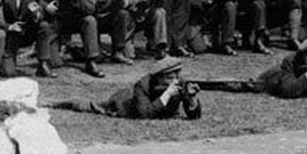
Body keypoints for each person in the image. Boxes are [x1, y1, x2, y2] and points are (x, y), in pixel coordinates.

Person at [50, 58, 200, 120]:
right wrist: (167, 95)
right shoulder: (143, 85)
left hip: (138, 100)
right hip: (121, 104)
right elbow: (144, 114)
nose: (175, 79)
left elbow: (193, 116)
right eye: (169, 76)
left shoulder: (178, 82)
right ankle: (54, 103)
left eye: (176, 74)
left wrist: (192, 99)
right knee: (88, 105)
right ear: (159, 77)